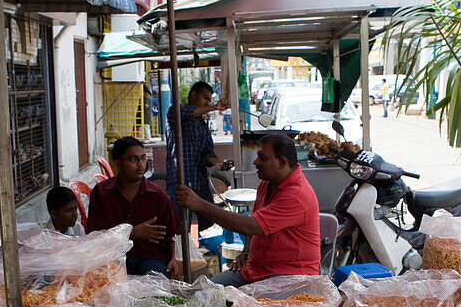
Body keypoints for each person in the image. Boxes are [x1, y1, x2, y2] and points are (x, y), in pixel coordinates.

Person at [176, 132, 320, 287]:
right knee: (202, 292)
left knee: (236, 306)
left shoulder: (296, 195)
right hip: (257, 269)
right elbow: (256, 220)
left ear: (282, 162)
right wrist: (247, 250)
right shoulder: (268, 183)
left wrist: (198, 204)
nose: (256, 162)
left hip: (291, 276)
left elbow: (249, 225)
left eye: (262, 158)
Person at [88, 137, 183, 277]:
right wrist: (133, 233)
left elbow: (172, 234)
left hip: (151, 258)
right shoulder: (102, 193)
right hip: (112, 258)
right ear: (118, 163)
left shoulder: (158, 195)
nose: (140, 164)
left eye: (143, 158)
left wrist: (174, 259)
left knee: (155, 285)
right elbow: (95, 236)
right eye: (133, 159)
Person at [166, 81, 229, 231]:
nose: (208, 102)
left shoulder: (202, 125)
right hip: (180, 180)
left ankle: (205, 251)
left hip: (199, 181)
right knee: (181, 227)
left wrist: (219, 163)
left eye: (209, 99)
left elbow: (207, 155)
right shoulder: (175, 111)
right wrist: (214, 107)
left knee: (208, 223)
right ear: (193, 95)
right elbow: (192, 112)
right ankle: (182, 253)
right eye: (205, 98)